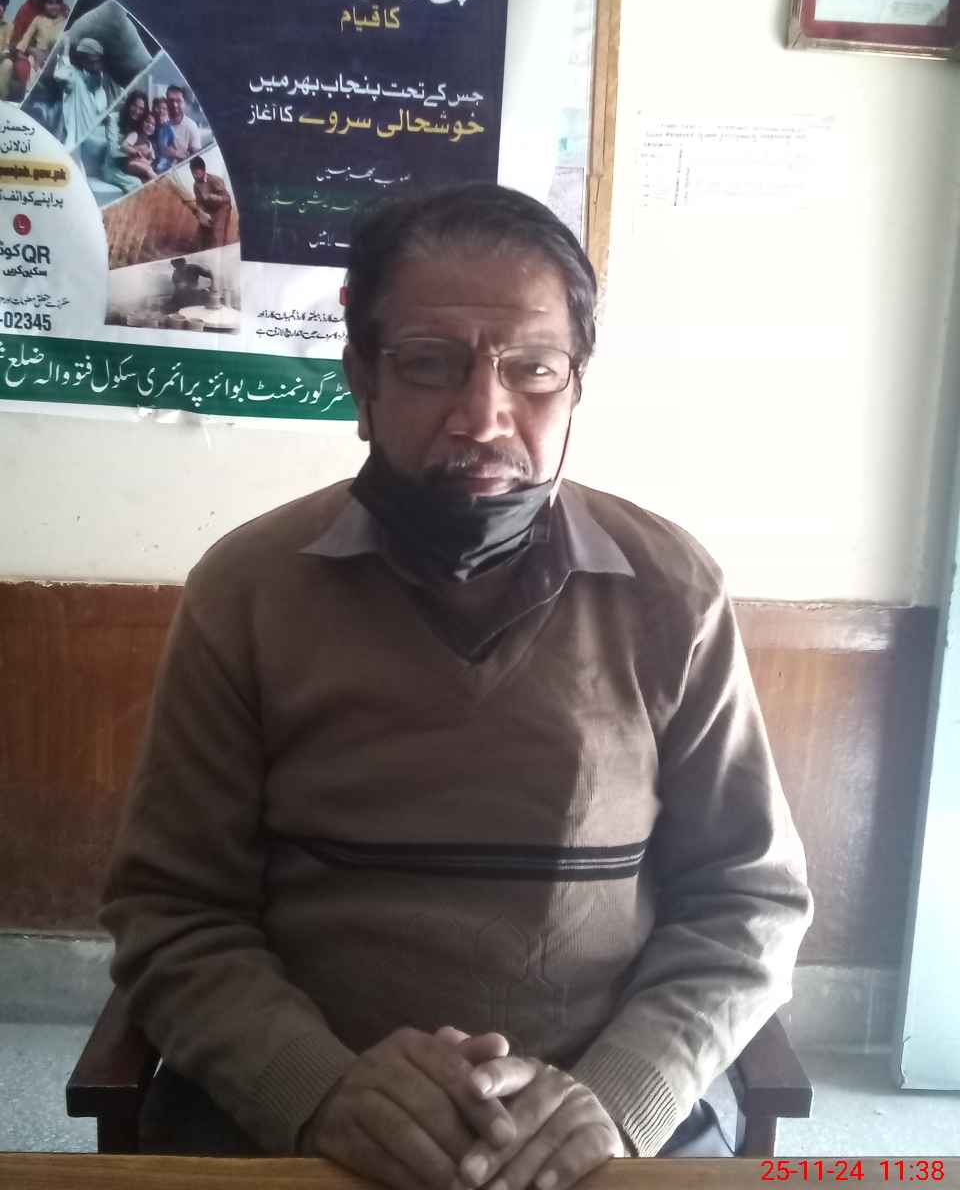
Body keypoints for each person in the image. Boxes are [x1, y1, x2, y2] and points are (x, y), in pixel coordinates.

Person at [102, 185, 812, 1185]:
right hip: (302, 1120)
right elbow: (173, 908)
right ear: (362, 378)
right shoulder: (248, 589)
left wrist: (621, 1096)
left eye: (533, 369)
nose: (483, 416)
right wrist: (318, 1088)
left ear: (577, 384)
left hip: (592, 1123)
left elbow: (747, 898)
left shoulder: (670, 589)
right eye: (430, 364)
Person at [52, 35, 120, 150]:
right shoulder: (76, 79)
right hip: (74, 145)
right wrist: (66, 49)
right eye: (91, 62)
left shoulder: (105, 86)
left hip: (96, 146)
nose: (96, 66)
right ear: (83, 62)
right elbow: (60, 75)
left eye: (98, 62)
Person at [15, 0, 67, 85]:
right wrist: (21, 51)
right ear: (43, 4)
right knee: (32, 76)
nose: (54, 6)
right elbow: (27, 36)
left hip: (54, 56)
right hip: (36, 56)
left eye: (57, 3)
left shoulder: (64, 20)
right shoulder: (38, 19)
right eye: (50, 3)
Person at [189, 155, 232, 249]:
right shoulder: (196, 185)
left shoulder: (214, 180)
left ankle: (218, 252)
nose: (194, 176)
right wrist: (201, 212)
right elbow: (199, 202)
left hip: (222, 208)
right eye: (192, 173)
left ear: (203, 170)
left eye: (196, 173)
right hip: (209, 210)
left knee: (217, 235)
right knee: (200, 238)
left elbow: (227, 199)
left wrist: (213, 197)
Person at [156, 83, 201, 164]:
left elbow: (197, 156)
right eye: (171, 101)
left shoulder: (191, 126)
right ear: (166, 102)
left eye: (178, 101)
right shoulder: (160, 123)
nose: (174, 105)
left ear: (184, 103)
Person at [151, 96, 176, 173]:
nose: (161, 111)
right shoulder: (149, 125)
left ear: (167, 112)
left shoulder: (168, 128)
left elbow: (173, 148)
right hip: (151, 161)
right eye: (158, 107)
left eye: (164, 109)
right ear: (153, 109)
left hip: (164, 163)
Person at [0, 0, 13, 101]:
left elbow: (6, 49)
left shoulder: (9, 26)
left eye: (2, 5)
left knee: (8, 63)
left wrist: (3, 54)